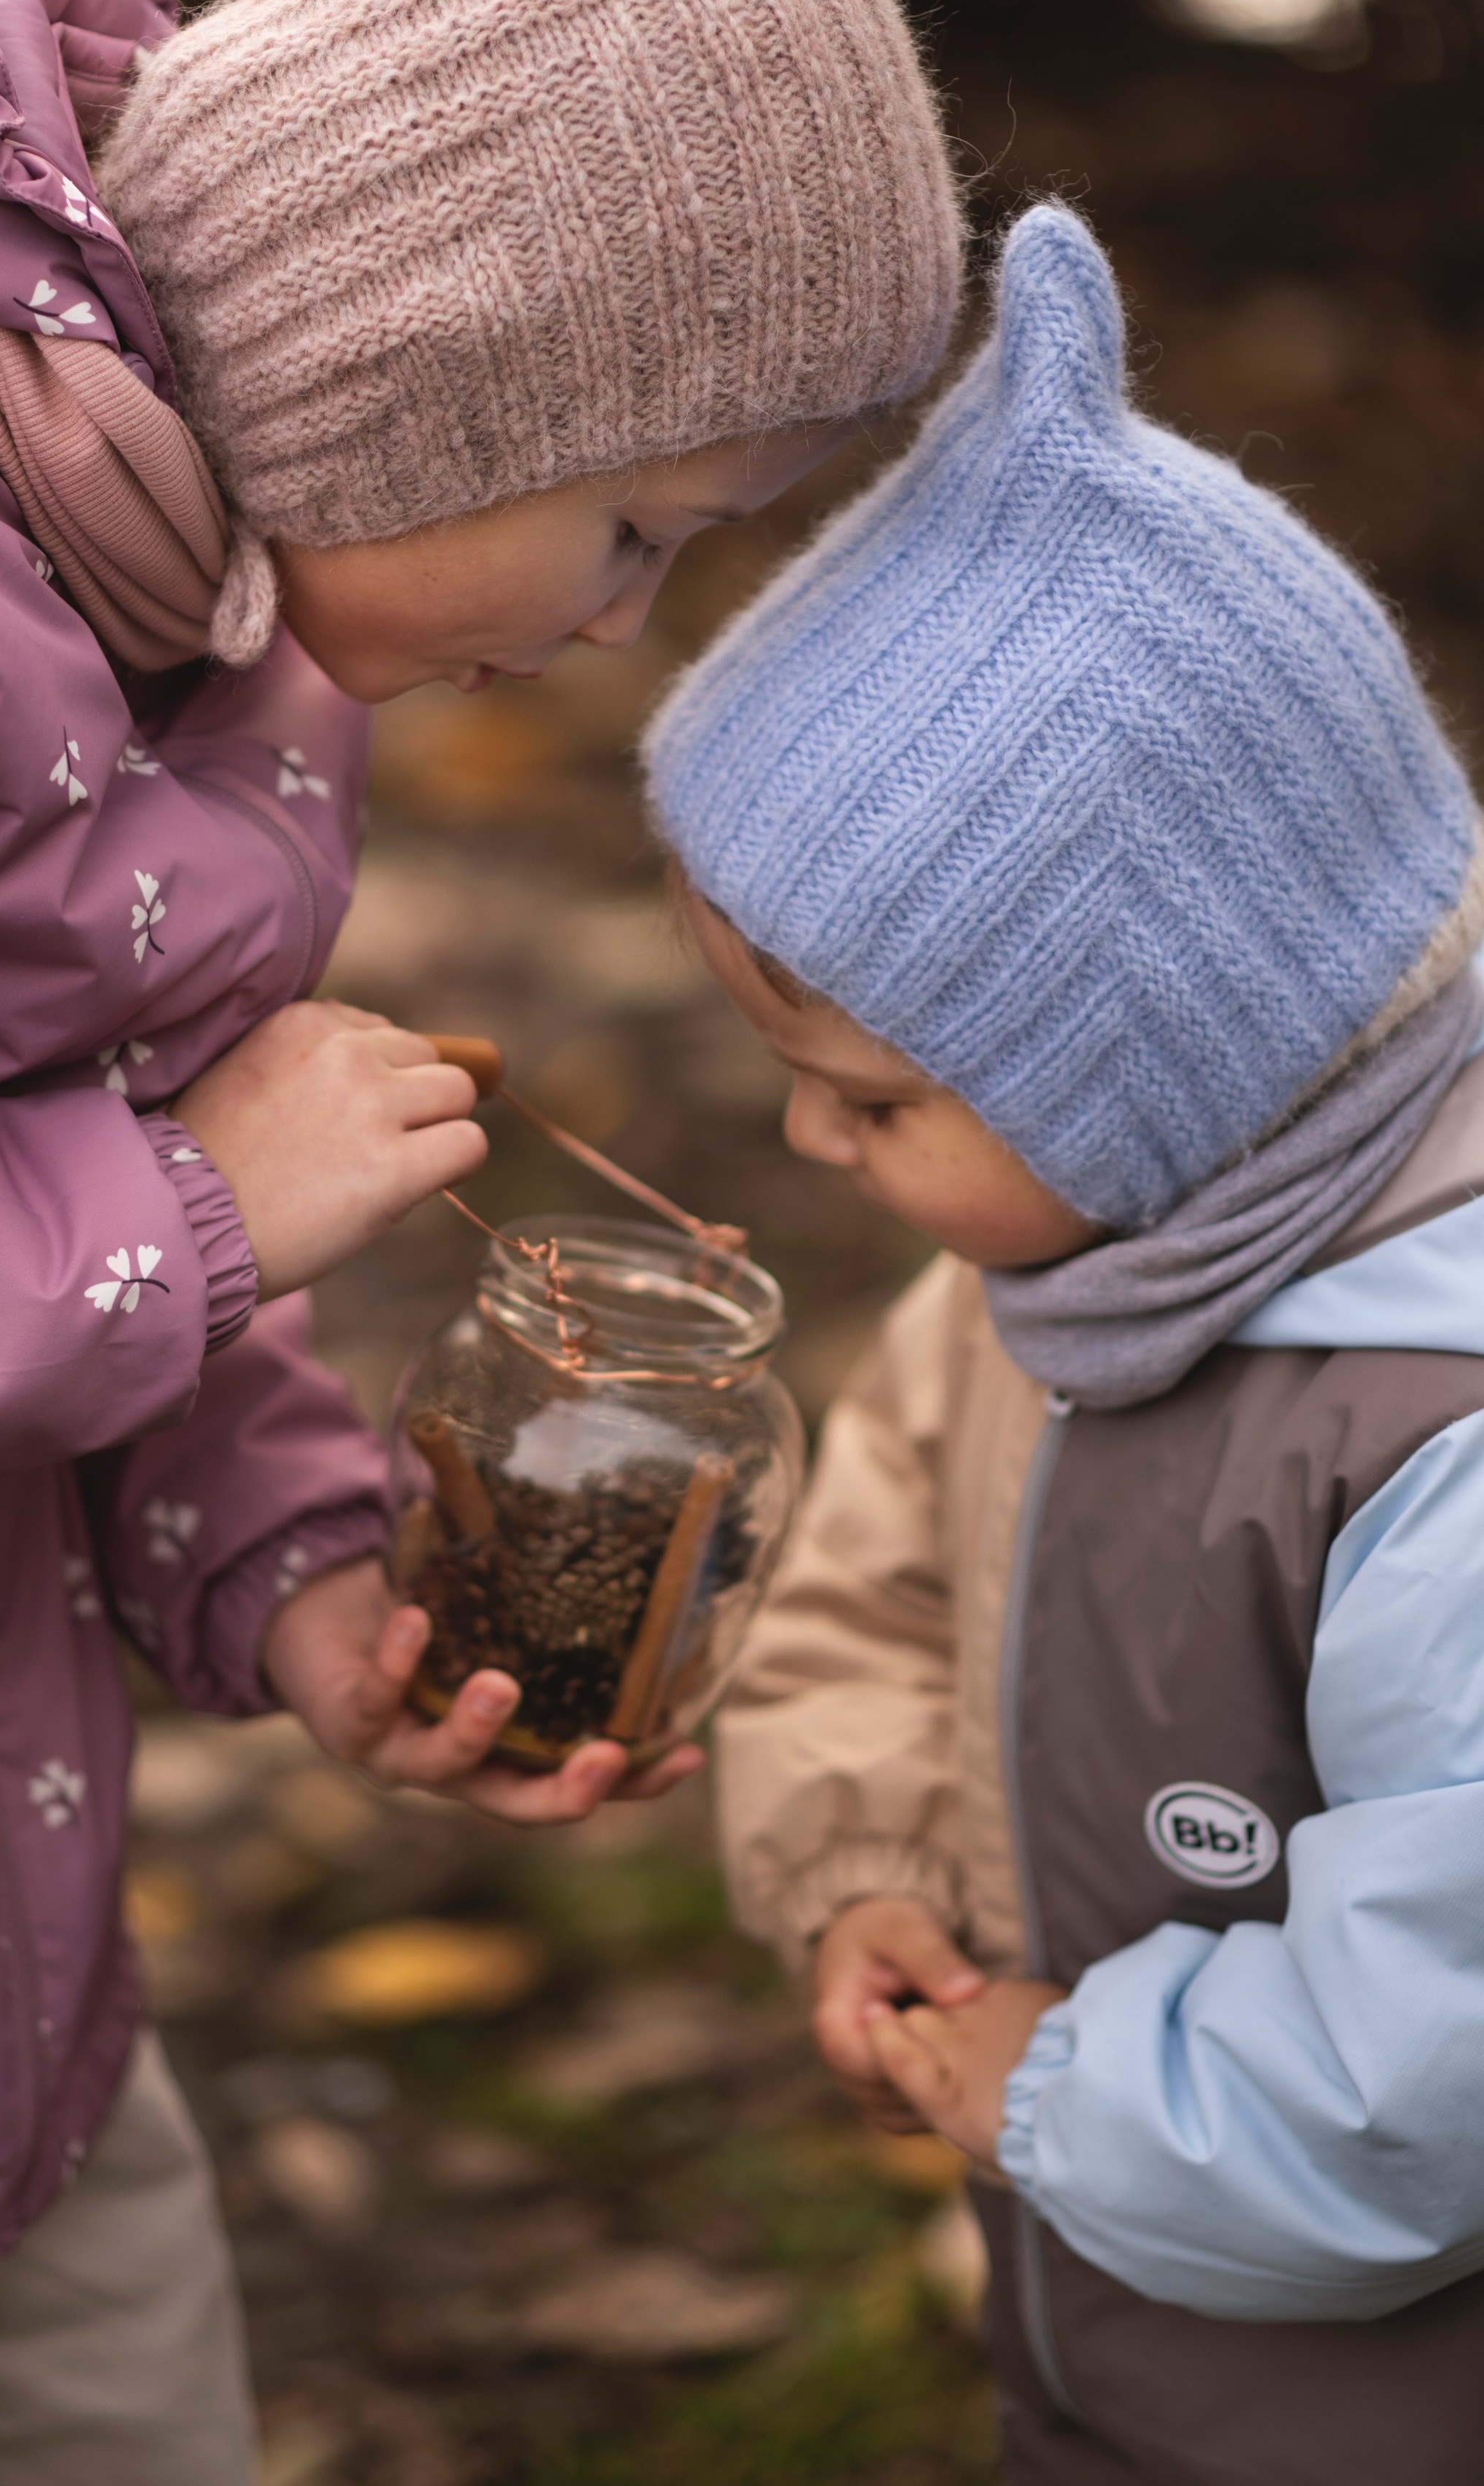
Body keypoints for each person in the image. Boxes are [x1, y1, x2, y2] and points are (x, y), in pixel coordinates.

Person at [0, 0, 961, 2475]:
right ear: (424, 384)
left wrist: (300, 1571)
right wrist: (198, 1208)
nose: (621, 628)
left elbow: (43, 1150)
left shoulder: (191, 576)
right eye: (637, 525)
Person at [645, 202, 1484, 2485]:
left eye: (874, 1099)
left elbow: (1436, 2064)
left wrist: (1067, 2091)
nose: (807, 1141)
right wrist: (870, 1868)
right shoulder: (1044, 1277)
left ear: (1161, 1073)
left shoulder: (1436, 1442)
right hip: (1111, 2324)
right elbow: (871, 1587)